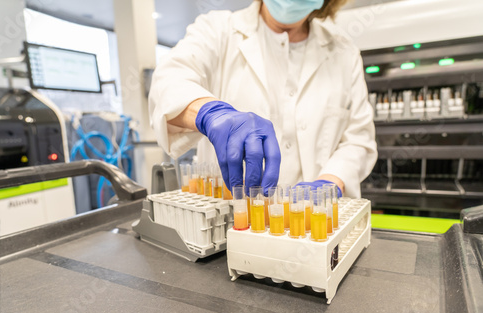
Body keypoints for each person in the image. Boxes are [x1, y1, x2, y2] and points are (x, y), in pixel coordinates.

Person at [149, 0, 377, 198]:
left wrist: (331, 180)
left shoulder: (344, 52)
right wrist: (210, 113)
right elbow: (169, 81)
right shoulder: (218, 30)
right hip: (231, 220)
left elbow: (358, 139)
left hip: (315, 224)